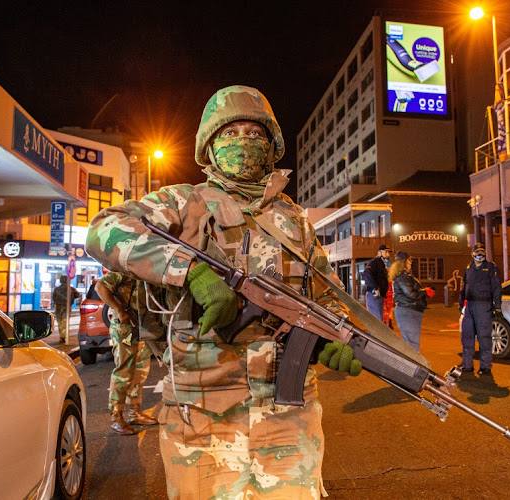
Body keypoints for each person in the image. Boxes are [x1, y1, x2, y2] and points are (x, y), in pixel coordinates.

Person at [86, 85, 358, 499]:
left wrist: (336, 335)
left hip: (290, 416)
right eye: (229, 134)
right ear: (209, 148)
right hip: (202, 418)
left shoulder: (295, 219)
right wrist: (190, 270)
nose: (243, 142)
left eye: (255, 133)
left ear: (272, 148)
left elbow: (326, 290)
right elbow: (103, 229)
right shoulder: (181, 202)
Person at [95, 271, 161, 434]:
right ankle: (116, 417)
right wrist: (119, 309)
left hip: (141, 326)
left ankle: (134, 412)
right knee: (124, 371)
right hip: (124, 327)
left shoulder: (145, 272)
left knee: (140, 370)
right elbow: (100, 287)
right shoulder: (124, 270)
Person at [458, 242, 502, 375]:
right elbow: (464, 286)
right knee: (467, 336)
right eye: (477, 252)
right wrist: (461, 304)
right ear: (472, 254)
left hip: (484, 306)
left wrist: (498, 307)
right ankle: (467, 364)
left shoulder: (490, 268)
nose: (479, 254)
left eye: (482, 251)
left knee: (484, 337)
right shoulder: (469, 268)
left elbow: (496, 288)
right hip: (470, 305)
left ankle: (485, 366)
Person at [390, 251, 434, 352]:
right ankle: (413, 367)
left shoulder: (404, 276)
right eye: (409, 261)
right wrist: (425, 292)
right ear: (404, 262)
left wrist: (423, 291)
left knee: (411, 342)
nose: (411, 263)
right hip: (408, 311)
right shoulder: (403, 277)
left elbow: (411, 291)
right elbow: (411, 294)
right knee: (412, 343)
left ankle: (411, 366)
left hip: (410, 310)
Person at [363, 244, 391, 321]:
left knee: (378, 320)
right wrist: (375, 288)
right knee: (376, 321)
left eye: (389, 253)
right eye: (386, 252)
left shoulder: (381, 264)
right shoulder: (374, 263)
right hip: (374, 295)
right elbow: (367, 274)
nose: (388, 255)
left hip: (379, 296)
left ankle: (374, 333)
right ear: (379, 252)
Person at [52, 275, 79, 342]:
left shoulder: (57, 289)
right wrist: (71, 298)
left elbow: (54, 297)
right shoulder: (71, 289)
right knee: (65, 321)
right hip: (67, 307)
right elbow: (77, 295)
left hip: (58, 307)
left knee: (59, 321)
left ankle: (62, 336)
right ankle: (64, 336)